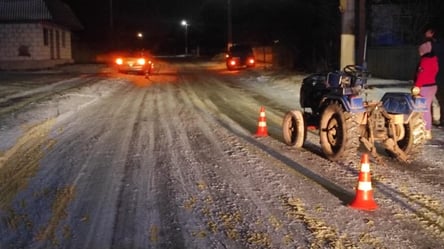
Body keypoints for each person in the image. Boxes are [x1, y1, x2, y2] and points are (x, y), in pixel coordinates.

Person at [419, 26, 444, 126]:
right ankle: (441, 119)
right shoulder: (439, 44)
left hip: (432, 78)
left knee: (427, 101)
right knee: (439, 99)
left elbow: (424, 61)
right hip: (438, 76)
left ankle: (428, 121)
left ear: (431, 33)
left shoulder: (429, 46)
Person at [414, 43, 438, 139]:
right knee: (427, 108)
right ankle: (428, 130)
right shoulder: (434, 60)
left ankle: (423, 130)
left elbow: (421, 75)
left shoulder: (424, 61)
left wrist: (417, 87)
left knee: (421, 110)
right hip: (432, 86)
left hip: (424, 87)